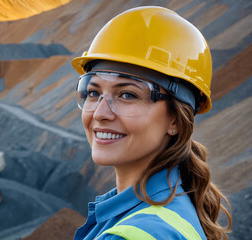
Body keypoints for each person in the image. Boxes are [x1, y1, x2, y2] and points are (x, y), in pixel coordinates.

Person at [71, 6, 232, 240]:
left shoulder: (131, 235)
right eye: (94, 92)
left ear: (176, 119)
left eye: (128, 95)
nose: (99, 113)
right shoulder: (170, 212)